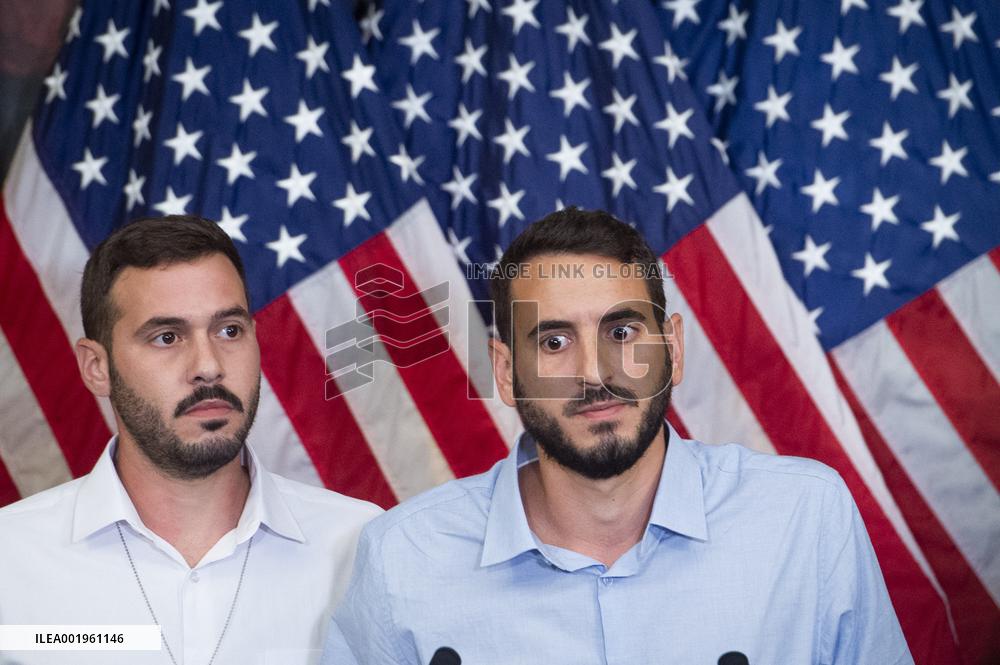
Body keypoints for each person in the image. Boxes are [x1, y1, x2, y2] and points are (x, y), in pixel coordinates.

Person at [321, 208, 913, 665]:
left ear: (673, 349)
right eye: (553, 342)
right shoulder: (403, 559)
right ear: (505, 372)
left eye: (623, 331)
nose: (596, 372)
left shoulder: (805, 519)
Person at [0, 216, 381, 664]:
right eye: (167, 337)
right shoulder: (12, 557)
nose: (209, 365)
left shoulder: (362, 544)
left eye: (229, 331)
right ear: (96, 367)